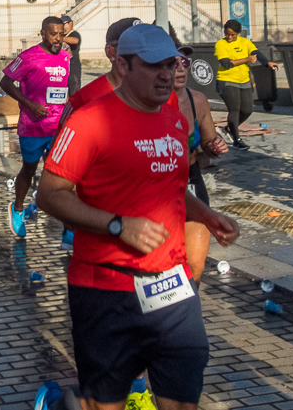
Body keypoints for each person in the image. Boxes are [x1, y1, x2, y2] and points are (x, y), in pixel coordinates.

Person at [37, 24, 240, 410]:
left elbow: (171, 184)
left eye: (170, 64)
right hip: (106, 289)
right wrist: (118, 225)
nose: (166, 74)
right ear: (124, 64)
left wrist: (208, 215)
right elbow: (50, 195)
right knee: (106, 403)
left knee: (182, 400)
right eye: (153, 66)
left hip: (172, 287)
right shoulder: (90, 120)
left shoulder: (174, 119)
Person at [0, 16, 71, 238]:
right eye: (53, 34)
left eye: (61, 34)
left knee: (64, 175)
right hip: (33, 126)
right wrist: (30, 105)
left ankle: (69, 226)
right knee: (29, 170)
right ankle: (18, 208)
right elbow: (5, 82)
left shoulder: (66, 56)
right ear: (43, 34)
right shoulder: (28, 57)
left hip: (58, 126)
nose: (58, 39)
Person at [174, 47, 228, 285]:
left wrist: (215, 145)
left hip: (192, 179)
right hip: (160, 183)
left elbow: (208, 141)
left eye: (184, 62)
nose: (180, 68)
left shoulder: (197, 100)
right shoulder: (148, 103)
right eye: (172, 63)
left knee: (195, 262)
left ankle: (190, 303)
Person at [214, 20, 278, 150]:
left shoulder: (245, 42)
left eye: (233, 35)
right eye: (227, 34)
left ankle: (228, 128)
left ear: (238, 33)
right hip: (227, 81)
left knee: (248, 109)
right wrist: (246, 59)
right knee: (235, 110)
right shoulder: (220, 44)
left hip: (244, 80)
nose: (229, 37)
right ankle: (237, 139)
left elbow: (256, 53)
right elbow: (226, 64)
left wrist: (267, 63)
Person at [61, 14, 82, 96]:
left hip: (73, 68)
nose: (62, 27)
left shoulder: (74, 34)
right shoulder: (64, 35)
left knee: (74, 92)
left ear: (70, 24)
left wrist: (60, 38)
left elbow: (75, 40)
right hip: (64, 68)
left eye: (64, 24)